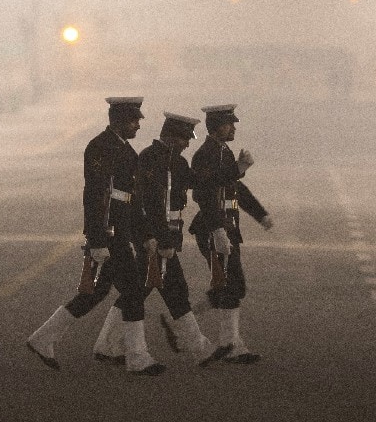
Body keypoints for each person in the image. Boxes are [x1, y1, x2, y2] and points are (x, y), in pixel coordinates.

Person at [26, 97, 166, 376]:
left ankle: (43, 338)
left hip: (119, 231)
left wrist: (145, 234)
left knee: (96, 292)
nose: (138, 125)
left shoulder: (125, 150)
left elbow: (131, 200)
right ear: (118, 120)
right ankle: (137, 356)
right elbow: (94, 195)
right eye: (133, 120)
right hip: (109, 233)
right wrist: (98, 240)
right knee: (133, 291)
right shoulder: (100, 147)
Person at [91, 112, 227, 368]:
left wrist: (234, 170)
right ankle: (198, 347)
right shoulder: (149, 159)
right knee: (172, 291)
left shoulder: (177, 162)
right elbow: (149, 204)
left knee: (146, 291)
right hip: (154, 239)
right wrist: (159, 239)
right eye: (184, 139)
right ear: (171, 137)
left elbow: (199, 182)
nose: (187, 144)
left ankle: (106, 344)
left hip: (165, 238)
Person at [189, 104, 273, 364]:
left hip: (227, 227)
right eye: (229, 124)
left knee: (230, 286)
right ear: (216, 127)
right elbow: (203, 192)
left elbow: (236, 189)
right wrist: (217, 231)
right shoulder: (205, 155)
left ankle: (229, 343)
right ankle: (192, 327)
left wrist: (260, 214)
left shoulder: (223, 152)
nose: (234, 128)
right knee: (232, 285)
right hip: (213, 227)